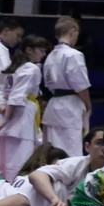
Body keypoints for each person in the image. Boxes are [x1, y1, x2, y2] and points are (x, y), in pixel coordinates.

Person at [0, 35, 49, 182]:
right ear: (29, 50)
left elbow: (3, 92)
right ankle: (16, 189)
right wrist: (6, 120)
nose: (43, 54)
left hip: (9, 117)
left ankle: (5, 189)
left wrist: (2, 109)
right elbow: (17, 96)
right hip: (21, 118)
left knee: (5, 162)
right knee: (21, 161)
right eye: (41, 50)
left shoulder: (12, 68)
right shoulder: (31, 68)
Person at [41, 16, 91, 162]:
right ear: (72, 31)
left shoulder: (50, 56)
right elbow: (81, 85)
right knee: (70, 150)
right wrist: (88, 105)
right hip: (70, 107)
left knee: (51, 149)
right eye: (76, 34)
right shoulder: (74, 55)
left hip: (53, 104)